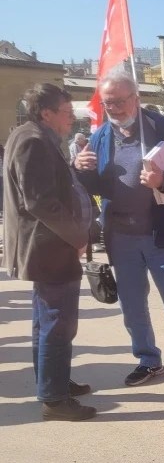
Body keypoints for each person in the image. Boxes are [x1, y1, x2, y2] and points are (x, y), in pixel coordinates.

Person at [73, 69, 164, 391]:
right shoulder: (101, 136)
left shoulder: (162, 127)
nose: (114, 109)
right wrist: (81, 170)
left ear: (136, 98)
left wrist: (163, 181)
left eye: (120, 101)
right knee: (132, 305)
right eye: (108, 103)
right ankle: (148, 360)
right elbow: (96, 186)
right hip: (121, 237)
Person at [2, 84, 95, 420]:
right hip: (49, 248)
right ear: (46, 113)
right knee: (57, 322)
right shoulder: (33, 141)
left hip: (48, 246)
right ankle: (54, 399)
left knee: (47, 321)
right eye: (66, 112)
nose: (71, 118)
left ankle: (53, 382)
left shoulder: (35, 136)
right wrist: (78, 236)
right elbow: (40, 201)